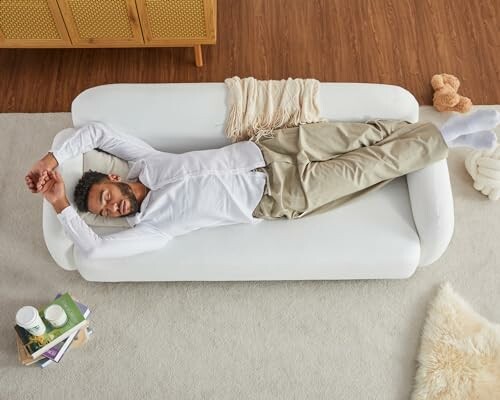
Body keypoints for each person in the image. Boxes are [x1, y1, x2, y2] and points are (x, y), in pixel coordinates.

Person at [26, 110, 500, 260]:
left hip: (275, 149)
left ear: (115, 178)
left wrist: (52, 159)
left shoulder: (148, 162)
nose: (110, 209)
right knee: (372, 166)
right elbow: (93, 251)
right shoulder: (152, 229)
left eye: (105, 198)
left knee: (371, 133)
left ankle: (451, 133)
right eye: (105, 212)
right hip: (282, 195)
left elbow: (98, 132)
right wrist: (61, 201)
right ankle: (455, 133)